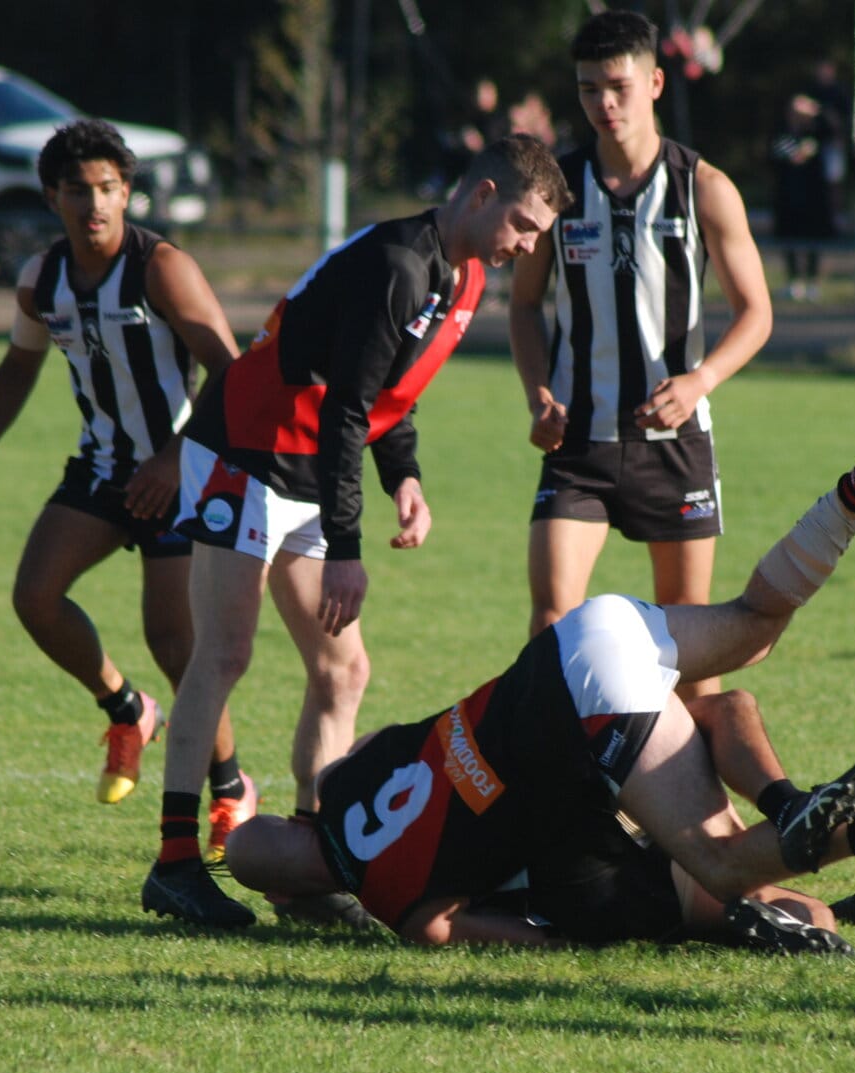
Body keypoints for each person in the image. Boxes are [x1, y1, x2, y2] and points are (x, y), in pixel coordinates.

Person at [221, 400, 855, 946]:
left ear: (302, 889)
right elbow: (386, 750)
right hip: (587, 634)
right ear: (299, 821)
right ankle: (850, 499)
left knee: (719, 863)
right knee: (754, 625)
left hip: (587, 710)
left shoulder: (392, 895)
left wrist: (546, 939)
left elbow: (449, 930)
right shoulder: (359, 772)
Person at [139, 134, 571, 930]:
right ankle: (173, 865)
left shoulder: (467, 273)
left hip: (307, 462)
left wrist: (404, 474)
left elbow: (387, 397)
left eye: (537, 234)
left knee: (343, 671)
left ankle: (312, 867)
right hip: (248, 446)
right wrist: (347, 550)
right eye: (523, 223)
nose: (527, 244)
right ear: (481, 194)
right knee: (224, 654)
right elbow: (345, 407)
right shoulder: (398, 265)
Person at [0, 120, 254, 834]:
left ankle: (231, 792)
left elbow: (236, 374)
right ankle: (126, 710)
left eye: (109, 187)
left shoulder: (162, 268)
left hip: (183, 472)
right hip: (102, 470)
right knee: (35, 596)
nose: (95, 203)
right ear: (52, 196)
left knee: (176, 643)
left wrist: (173, 459)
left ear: (128, 191)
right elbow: (19, 367)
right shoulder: (42, 279)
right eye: (79, 190)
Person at [508, 9, 773, 702]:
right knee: (551, 624)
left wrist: (701, 379)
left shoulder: (704, 186)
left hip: (674, 445)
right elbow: (522, 305)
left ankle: (687, 808)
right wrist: (538, 392)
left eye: (618, 85)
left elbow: (757, 312)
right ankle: (558, 794)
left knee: (687, 652)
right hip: (580, 443)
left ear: (655, 82)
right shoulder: (556, 192)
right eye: (589, 88)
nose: (604, 103)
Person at [770, 95, 833, 301]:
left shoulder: (816, 132)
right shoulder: (783, 134)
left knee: (813, 240)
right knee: (790, 239)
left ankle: (813, 281)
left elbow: (834, 128)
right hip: (788, 195)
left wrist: (817, 110)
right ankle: (794, 281)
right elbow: (782, 157)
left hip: (813, 196)